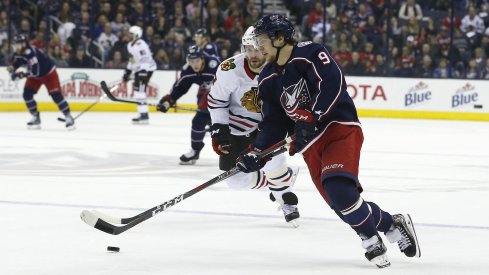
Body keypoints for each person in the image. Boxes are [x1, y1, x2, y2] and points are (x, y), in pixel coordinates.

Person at [237, 14, 421, 268]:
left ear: (280, 38)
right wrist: (256, 152)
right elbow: (274, 123)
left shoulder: (310, 53)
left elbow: (332, 83)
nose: (258, 47)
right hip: (309, 143)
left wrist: (313, 116)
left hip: (338, 128)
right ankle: (390, 224)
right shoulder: (267, 77)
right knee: (340, 203)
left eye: (262, 40)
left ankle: (368, 237)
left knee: (339, 189)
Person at [208, 26, 300, 225]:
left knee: (274, 164)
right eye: (248, 49)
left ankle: (284, 197)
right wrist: (219, 131)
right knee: (235, 182)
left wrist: (294, 126)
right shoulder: (230, 69)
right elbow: (216, 102)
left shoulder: (282, 69)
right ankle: (283, 178)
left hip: (266, 126)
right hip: (234, 128)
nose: (253, 54)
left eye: (257, 49)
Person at [156, 45, 220, 165]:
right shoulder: (188, 70)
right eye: (191, 61)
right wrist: (168, 101)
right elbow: (180, 87)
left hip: (225, 99)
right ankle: (195, 150)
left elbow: (229, 83)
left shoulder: (214, 64)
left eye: (197, 61)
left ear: (202, 58)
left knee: (225, 126)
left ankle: (235, 152)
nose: (194, 64)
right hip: (207, 96)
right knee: (197, 122)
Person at [7, 34, 75, 129]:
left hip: (49, 74)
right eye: (15, 44)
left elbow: (35, 72)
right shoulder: (19, 52)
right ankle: (35, 116)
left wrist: (21, 75)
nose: (16, 47)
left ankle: (68, 116)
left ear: (24, 44)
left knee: (56, 95)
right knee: (27, 94)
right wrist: (13, 68)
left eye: (18, 44)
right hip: (36, 75)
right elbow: (19, 62)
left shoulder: (30, 52)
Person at [122, 25, 157, 124]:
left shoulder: (141, 44)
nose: (129, 35)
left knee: (140, 91)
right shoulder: (130, 45)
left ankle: (144, 115)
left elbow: (145, 59)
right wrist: (127, 72)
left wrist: (143, 72)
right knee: (138, 91)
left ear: (136, 35)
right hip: (140, 70)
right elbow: (132, 60)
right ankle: (143, 114)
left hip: (146, 70)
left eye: (131, 33)